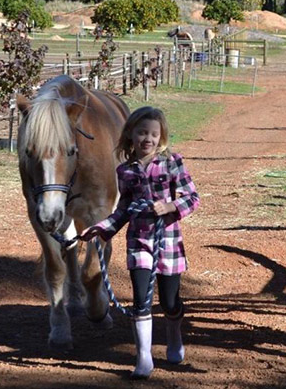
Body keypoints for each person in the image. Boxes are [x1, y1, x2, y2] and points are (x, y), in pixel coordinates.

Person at [81, 106, 199, 379]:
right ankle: (143, 358)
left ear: (161, 137)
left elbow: (192, 198)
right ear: (131, 135)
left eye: (154, 134)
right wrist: (100, 229)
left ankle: (173, 332)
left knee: (170, 302)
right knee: (140, 301)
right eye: (142, 132)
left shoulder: (173, 163)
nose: (148, 138)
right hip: (139, 242)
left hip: (167, 241)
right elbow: (123, 210)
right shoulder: (126, 171)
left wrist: (169, 206)